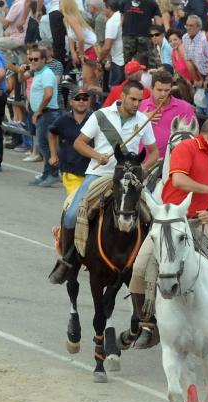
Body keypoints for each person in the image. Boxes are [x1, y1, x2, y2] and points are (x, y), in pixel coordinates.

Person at [127, 116, 208, 348]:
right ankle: (146, 324)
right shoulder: (186, 147)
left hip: (203, 221)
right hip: (172, 220)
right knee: (139, 267)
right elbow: (178, 181)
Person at [48, 81, 159, 284]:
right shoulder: (101, 116)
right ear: (123, 96)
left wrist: (142, 169)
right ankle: (66, 260)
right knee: (72, 214)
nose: (136, 104)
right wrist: (97, 156)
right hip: (99, 174)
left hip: (128, 178)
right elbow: (79, 143)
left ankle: (154, 264)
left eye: (140, 100)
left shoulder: (143, 120)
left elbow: (154, 153)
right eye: (133, 99)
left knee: (157, 214)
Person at [138, 69, 196, 155]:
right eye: (159, 90)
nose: (163, 94)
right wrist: (141, 119)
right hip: (145, 162)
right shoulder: (140, 106)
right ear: (151, 89)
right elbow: (126, 132)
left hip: (173, 162)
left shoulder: (184, 107)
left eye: (166, 90)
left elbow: (193, 136)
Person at [48, 87, 91, 196]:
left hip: (91, 170)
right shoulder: (63, 120)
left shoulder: (95, 119)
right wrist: (53, 155)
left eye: (85, 99)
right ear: (71, 102)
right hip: (71, 170)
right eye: (78, 98)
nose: (81, 101)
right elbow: (52, 133)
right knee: (76, 201)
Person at [27, 46, 60, 187]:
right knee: (43, 144)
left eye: (36, 59)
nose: (33, 62)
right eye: (31, 59)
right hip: (44, 113)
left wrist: (38, 110)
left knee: (44, 145)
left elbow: (48, 94)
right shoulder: (38, 73)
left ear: (44, 60)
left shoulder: (46, 74)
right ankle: (47, 174)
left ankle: (53, 173)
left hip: (47, 113)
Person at [120, 0, 160, 68]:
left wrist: (157, 36)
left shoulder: (152, 3)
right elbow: (122, 16)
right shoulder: (124, 2)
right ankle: (130, 78)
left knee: (149, 63)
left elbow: (158, 22)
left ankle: (149, 78)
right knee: (128, 64)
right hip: (128, 37)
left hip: (146, 37)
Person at [99, 0, 124, 86]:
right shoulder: (122, 15)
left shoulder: (112, 21)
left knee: (115, 90)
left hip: (118, 61)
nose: (103, 10)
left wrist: (99, 59)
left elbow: (107, 47)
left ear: (109, 8)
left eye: (104, 8)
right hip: (126, 58)